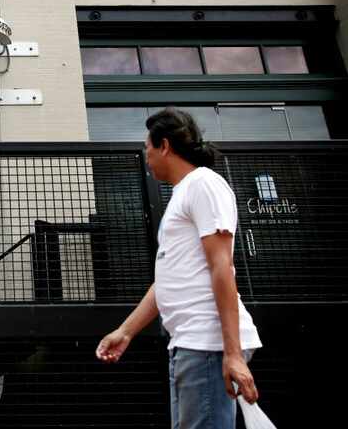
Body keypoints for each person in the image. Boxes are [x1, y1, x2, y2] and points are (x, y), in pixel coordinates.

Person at [96, 107, 262, 429]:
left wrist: (233, 354)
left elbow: (222, 267)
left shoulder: (203, 184)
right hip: (190, 343)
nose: (146, 156)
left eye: (147, 148)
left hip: (207, 343)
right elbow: (168, 280)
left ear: (165, 146)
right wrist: (126, 331)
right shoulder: (182, 193)